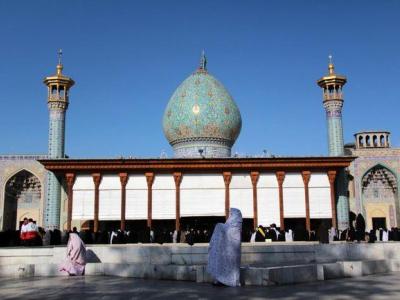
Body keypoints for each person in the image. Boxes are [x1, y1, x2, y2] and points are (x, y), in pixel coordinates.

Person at [207, 208, 242, 287]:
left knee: (230, 265)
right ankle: (222, 280)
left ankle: (229, 281)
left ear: (235, 214)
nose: (230, 215)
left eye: (231, 213)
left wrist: (219, 226)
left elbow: (229, 231)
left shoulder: (235, 223)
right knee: (225, 264)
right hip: (228, 250)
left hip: (232, 250)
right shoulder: (232, 222)